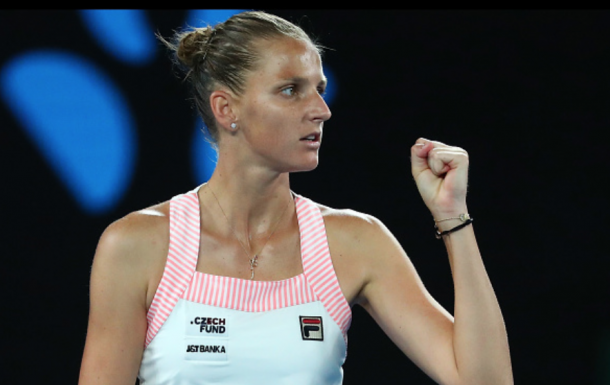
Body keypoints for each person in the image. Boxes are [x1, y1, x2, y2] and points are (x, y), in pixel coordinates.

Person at [78, 10, 513, 385]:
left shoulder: (356, 242)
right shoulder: (135, 246)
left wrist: (453, 217)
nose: (321, 109)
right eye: (291, 90)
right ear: (226, 109)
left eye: (319, 88)